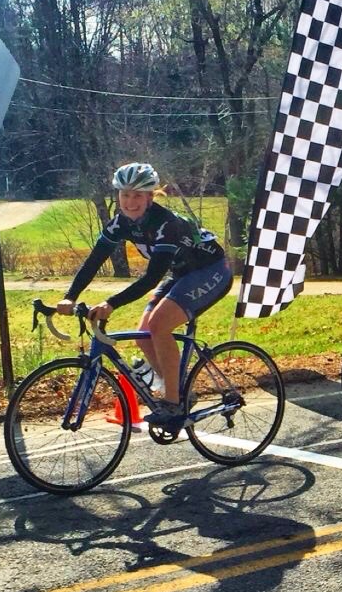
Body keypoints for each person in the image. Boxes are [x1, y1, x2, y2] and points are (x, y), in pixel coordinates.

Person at [56, 162, 233, 420]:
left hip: (211, 270)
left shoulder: (166, 224)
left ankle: (173, 402)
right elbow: (94, 260)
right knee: (144, 335)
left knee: (159, 325)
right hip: (182, 273)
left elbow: (151, 278)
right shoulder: (120, 223)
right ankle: (180, 392)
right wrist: (70, 296)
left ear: (150, 197)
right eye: (125, 195)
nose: (130, 202)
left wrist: (111, 303)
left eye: (137, 195)